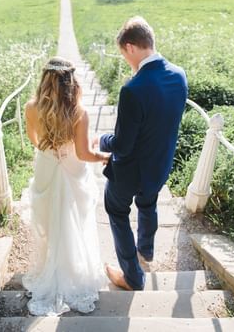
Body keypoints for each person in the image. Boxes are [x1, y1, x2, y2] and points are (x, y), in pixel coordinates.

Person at [95, 16, 188, 291]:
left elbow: (122, 145)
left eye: (124, 54)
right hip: (159, 165)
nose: (125, 59)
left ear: (131, 47)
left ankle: (133, 276)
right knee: (148, 204)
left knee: (116, 210)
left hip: (130, 171)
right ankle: (145, 251)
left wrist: (102, 139)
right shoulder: (179, 74)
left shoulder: (133, 89)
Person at [22, 56, 109, 316]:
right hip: (72, 169)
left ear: (45, 79)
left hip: (47, 166)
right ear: (71, 81)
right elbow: (83, 154)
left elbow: (34, 140)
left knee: (49, 220)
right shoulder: (79, 113)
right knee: (74, 221)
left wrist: (52, 151)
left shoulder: (31, 107)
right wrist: (103, 155)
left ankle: (49, 268)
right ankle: (72, 270)